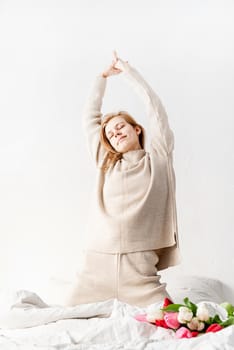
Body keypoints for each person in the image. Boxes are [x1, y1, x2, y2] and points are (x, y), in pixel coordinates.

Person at [66, 52, 180, 307]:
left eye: (120, 127)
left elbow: (156, 111)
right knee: (58, 320)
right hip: (95, 269)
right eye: (110, 133)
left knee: (175, 320)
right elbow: (89, 120)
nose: (115, 133)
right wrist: (101, 78)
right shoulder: (105, 163)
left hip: (139, 273)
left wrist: (129, 74)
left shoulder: (158, 159)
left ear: (136, 129)